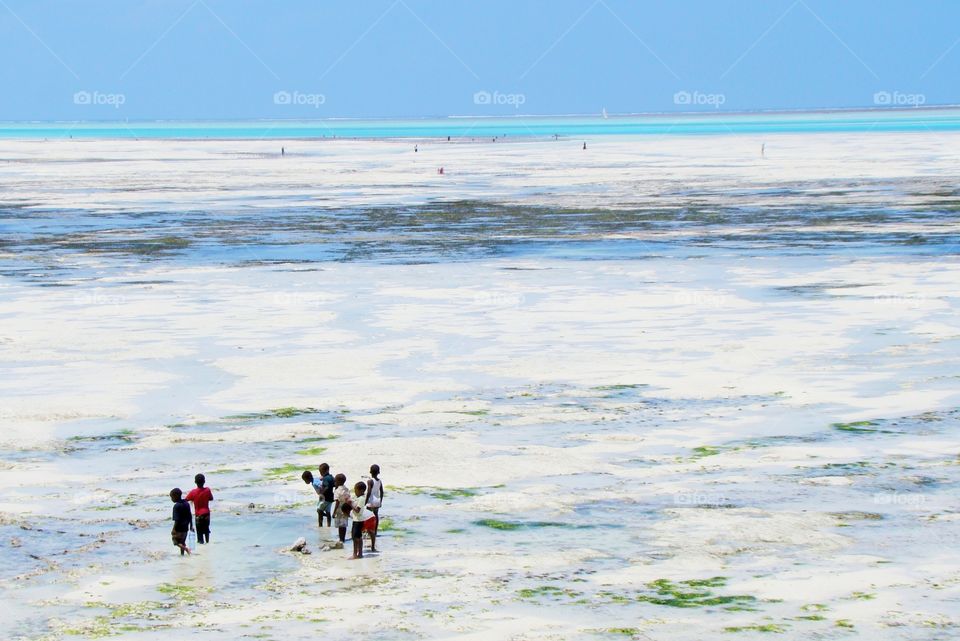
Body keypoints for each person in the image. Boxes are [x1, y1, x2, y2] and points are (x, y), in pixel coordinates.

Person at [349, 482, 376, 559]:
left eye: (356, 490)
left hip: (358, 521)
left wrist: (350, 504)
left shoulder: (361, 499)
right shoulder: (359, 498)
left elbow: (357, 510)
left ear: (361, 491)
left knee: (356, 538)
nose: (355, 492)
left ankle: (356, 554)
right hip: (357, 520)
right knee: (357, 537)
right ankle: (359, 554)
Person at [185, 474, 213, 544]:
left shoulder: (193, 492)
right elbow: (211, 498)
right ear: (204, 481)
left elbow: (186, 499)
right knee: (206, 530)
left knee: (199, 534)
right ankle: (207, 543)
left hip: (198, 515)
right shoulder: (207, 490)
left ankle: (202, 547)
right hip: (207, 514)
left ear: (195, 482)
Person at [365, 465, 384, 553]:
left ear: (370, 472)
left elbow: (369, 492)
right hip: (377, 500)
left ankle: (369, 531)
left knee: (369, 517)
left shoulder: (370, 481)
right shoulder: (379, 481)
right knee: (376, 516)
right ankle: (375, 531)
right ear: (378, 472)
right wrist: (381, 501)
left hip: (371, 501)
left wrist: (365, 501)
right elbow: (382, 491)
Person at [170, 488, 193, 556]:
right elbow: (190, 515)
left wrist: (174, 529)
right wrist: (191, 525)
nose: (171, 499)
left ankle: (186, 549)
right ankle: (182, 555)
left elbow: (176, 519)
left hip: (179, 528)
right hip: (185, 527)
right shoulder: (186, 503)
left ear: (176, 496)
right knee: (182, 542)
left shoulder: (176, 506)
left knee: (175, 541)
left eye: (172, 497)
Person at [332, 473, 350, 546]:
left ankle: (341, 539)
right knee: (344, 525)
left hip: (339, 509)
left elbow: (337, 502)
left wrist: (334, 512)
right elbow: (348, 499)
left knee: (340, 525)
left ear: (338, 481)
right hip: (346, 508)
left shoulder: (337, 491)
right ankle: (343, 538)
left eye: (335, 481)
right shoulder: (347, 489)